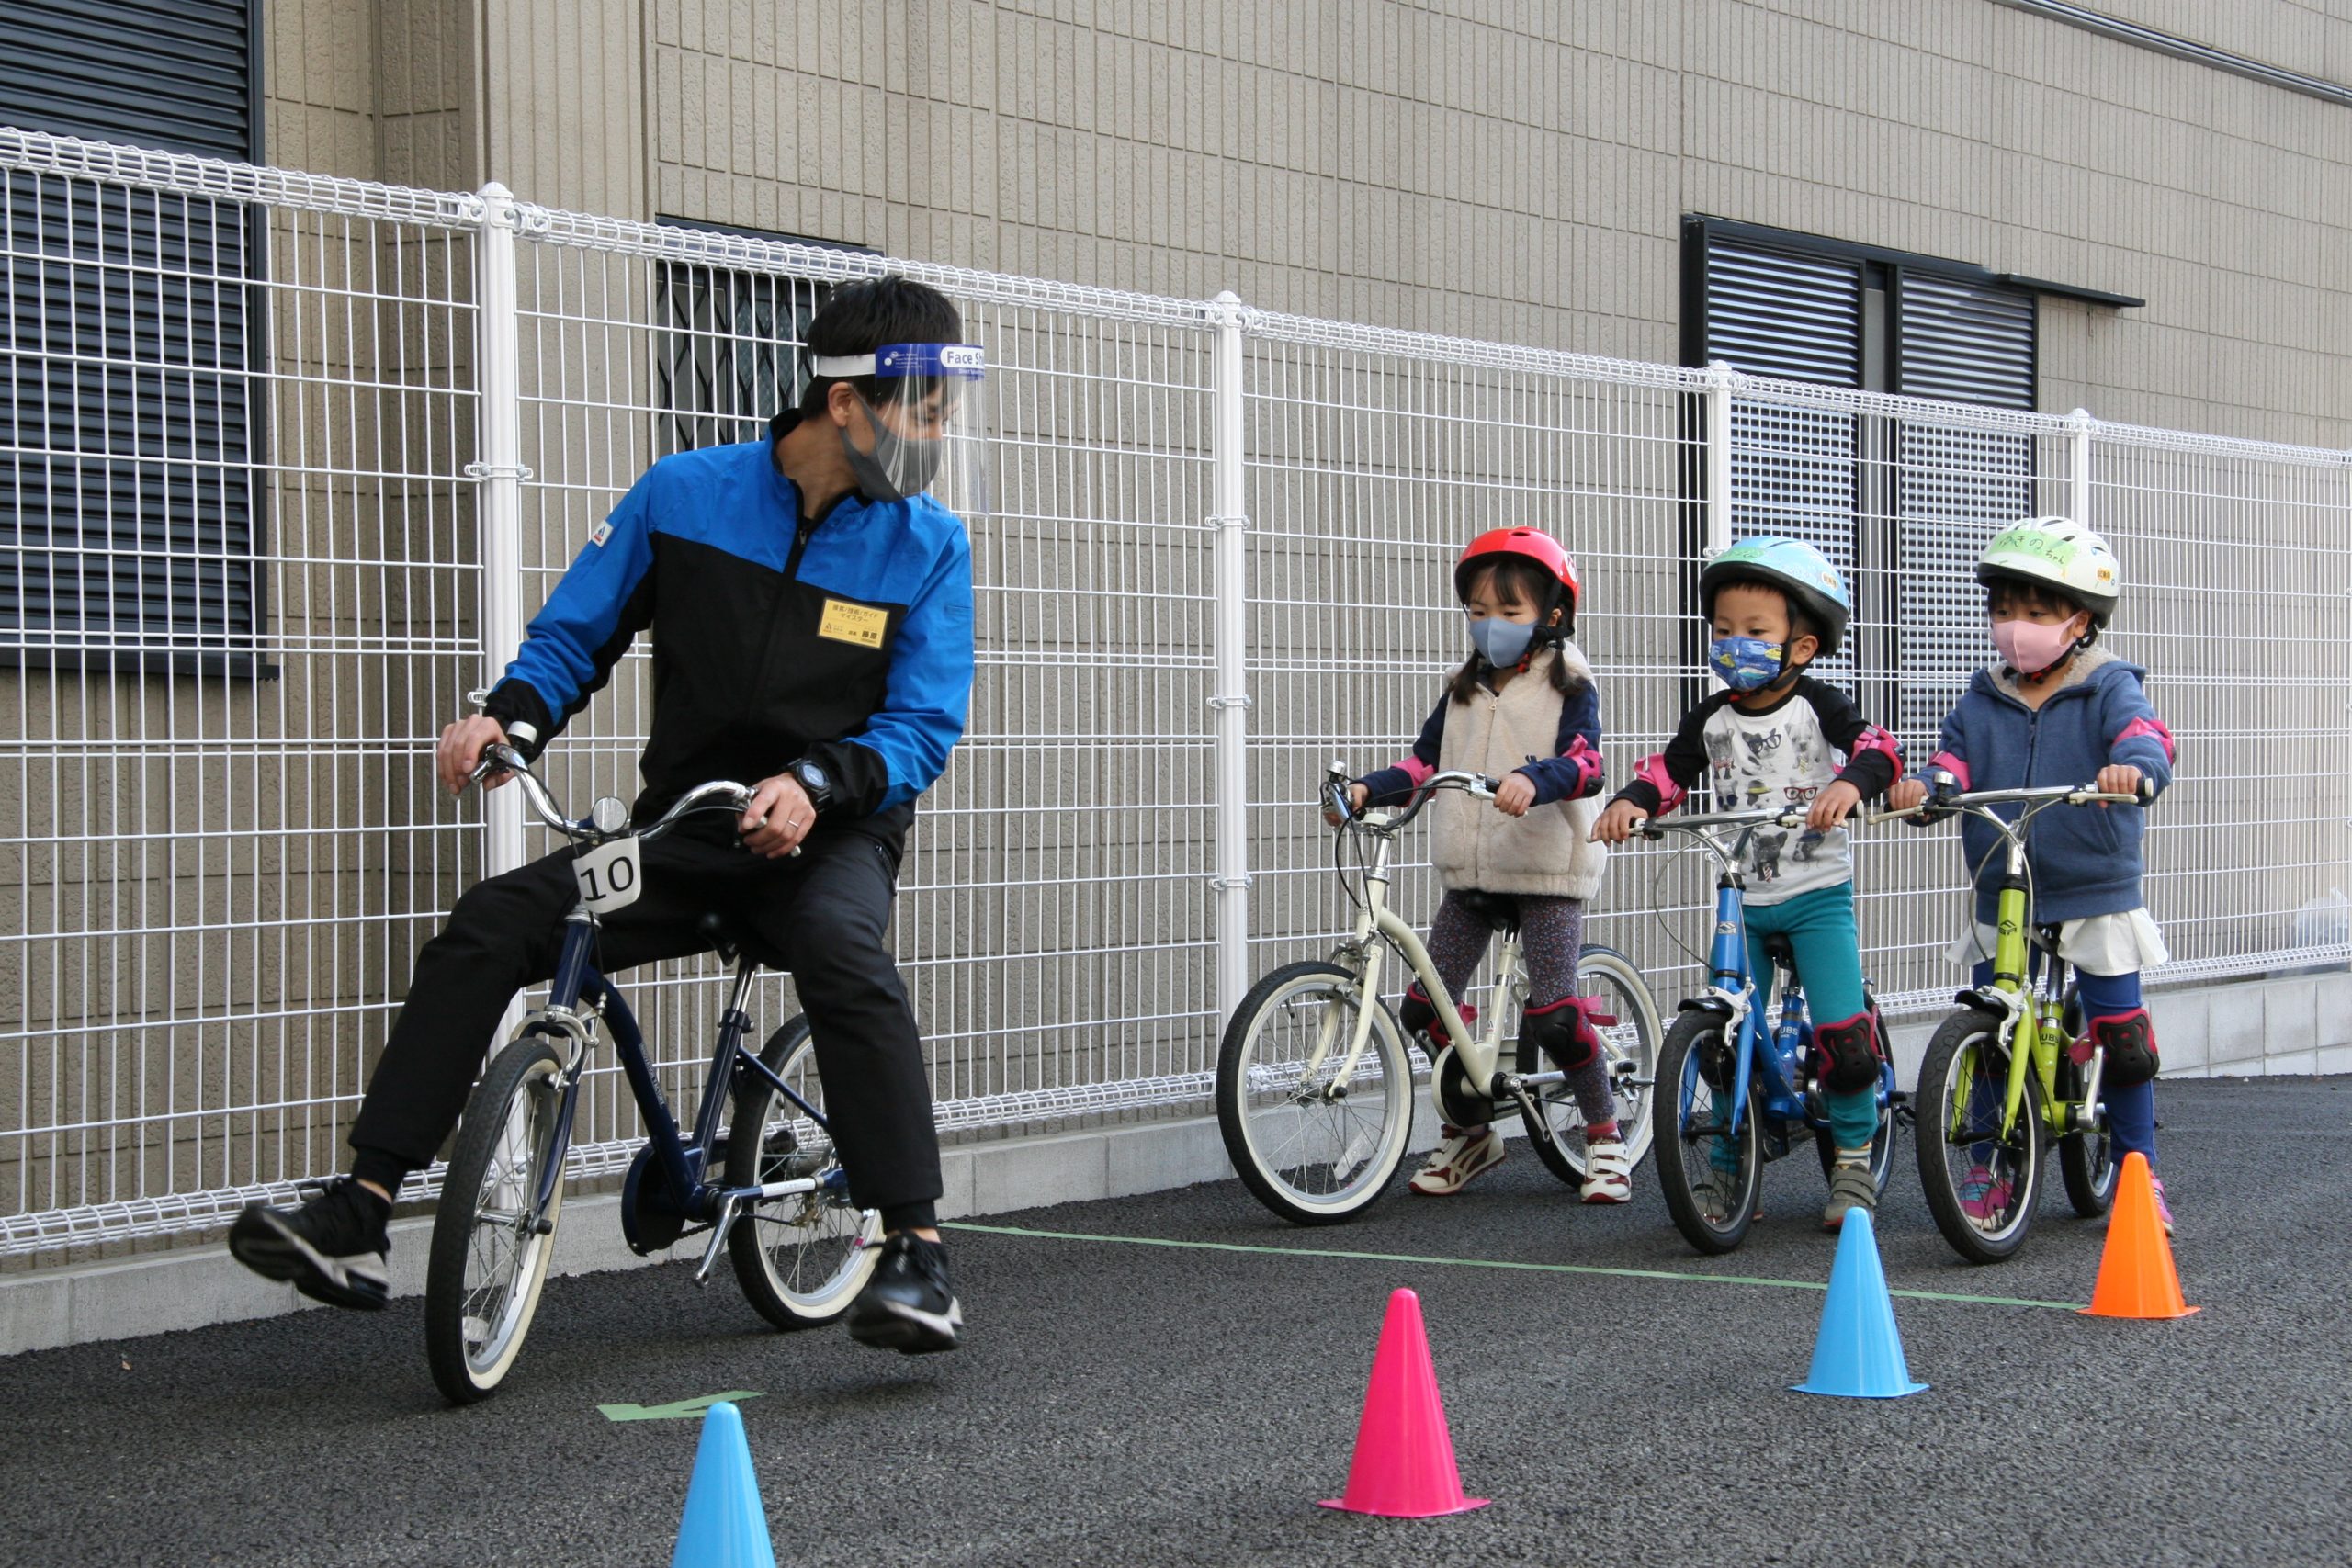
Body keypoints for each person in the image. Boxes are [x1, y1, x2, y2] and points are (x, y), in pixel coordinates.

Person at [230, 277, 982, 1354]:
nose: (938, 435)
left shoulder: (927, 545)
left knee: (840, 951)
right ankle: (358, 1208)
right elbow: (574, 636)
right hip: (688, 831)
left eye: (949, 412)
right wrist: (508, 719)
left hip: (832, 831)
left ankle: (915, 1250)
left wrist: (816, 784)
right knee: (495, 919)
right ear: (845, 402)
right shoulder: (686, 494)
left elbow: (921, 725)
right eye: (923, 408)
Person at [1592, 536, 1904, 1230]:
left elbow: (1880, 748)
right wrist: (1632, 801)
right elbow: (1668, 771)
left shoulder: (1818, 704)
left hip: (1816, 894)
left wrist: (1851, 783)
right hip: (1742, 898)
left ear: (1801, 645)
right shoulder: (1712, 717)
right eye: (1724, 630)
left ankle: (1853, 1157)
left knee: (1842, 1033)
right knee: (1725, 1036)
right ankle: (1734, 1165)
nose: (1735, 644)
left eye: (1755, 631)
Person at [1886, 517, 2177, 1230]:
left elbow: (2147, 737)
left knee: (2121, 1030)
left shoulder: (2107, 685)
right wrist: (1929, 787)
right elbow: (1952, 759)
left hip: (2091, 879)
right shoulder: (1983, 694)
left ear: (2079, 620)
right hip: (2003, 880)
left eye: (2037, 612)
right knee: (1990, 1028)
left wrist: (2133, 769)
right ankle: (1989, 1171)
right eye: (2005, 610)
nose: (2017, 626)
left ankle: (2139, 1172)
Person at [1334, 528, 1625, 1201]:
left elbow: (1588, 762)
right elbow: (1423, 762)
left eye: (1508, 611)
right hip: (1471, 871)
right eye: (1477, 611)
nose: (1489, 624)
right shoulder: (1462, 687)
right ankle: (1472, 1133)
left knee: (1554, 1013)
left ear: (1553, 615)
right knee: (1423, 1007)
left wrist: (1537, 778)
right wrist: (1366, 791)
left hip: (1544, 867)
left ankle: (1605, 1136)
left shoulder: (1571, 681)